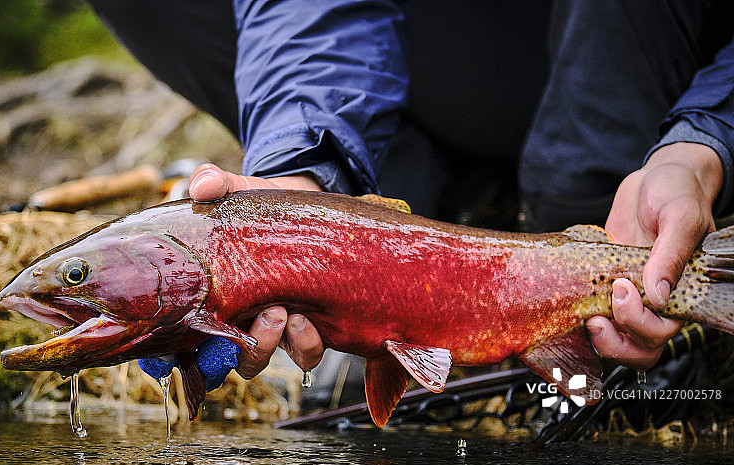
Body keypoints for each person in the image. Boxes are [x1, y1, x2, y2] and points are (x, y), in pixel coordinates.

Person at [87, 1, 734, 381]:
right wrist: (302, 173)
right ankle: (418, 193)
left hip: (661, 56)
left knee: (579, 180)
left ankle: (586, 196)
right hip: (465, 59)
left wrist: (704, 142)